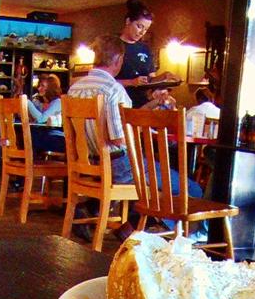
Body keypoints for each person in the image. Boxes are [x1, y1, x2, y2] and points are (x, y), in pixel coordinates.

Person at [67, 33, 202, 238]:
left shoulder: (75, 88)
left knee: (154, 175)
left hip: (87, 164)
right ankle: (137, 228)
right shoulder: (114, 90)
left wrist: (151, 106)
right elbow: (118, 138)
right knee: (188, 187)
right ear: (119, 60)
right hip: (118, 166)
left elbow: (116, 122)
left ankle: (125, 224)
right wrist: (143, 128)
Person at [116, 0, 178, 108]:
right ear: (128, 21)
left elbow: (150, 80)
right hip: (121, 104)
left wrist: (164, 78)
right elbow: (105, 81)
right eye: (139, 26)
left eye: (145, 29)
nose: (142, 32)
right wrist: (131, 82)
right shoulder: (114, 45)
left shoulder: (145, 49)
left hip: (143, 106)